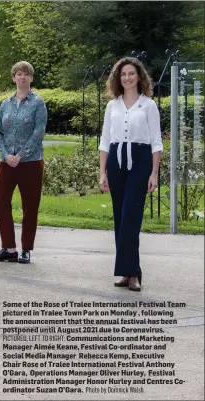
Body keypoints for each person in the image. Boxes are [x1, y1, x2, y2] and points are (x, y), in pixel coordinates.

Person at [98, 57, 162, 292]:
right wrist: (102, 172)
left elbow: (156, 142)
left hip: (140, 161)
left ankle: (133, 272)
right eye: (123, 74)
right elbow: (105, 141)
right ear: (118, 78)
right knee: (119, 217)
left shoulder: (148, 106)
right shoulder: (112, 106)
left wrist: (154, 173)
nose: (127, 78)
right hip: (116, 160)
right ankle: (127, 272)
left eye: (131, 74)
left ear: (139, 77)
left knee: (130, 217)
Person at [0, 61, 47, 265]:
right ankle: (9, 248)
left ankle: (26, 249)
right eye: (19, 74)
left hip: (30, 162)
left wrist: (21, 155)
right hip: (7, 162)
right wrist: (5, 155)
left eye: (26, 74)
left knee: (30, 206)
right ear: (13, 78)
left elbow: (39, 132)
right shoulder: (6, 104)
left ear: (31, 78)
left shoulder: (38, 103)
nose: (22, 77)